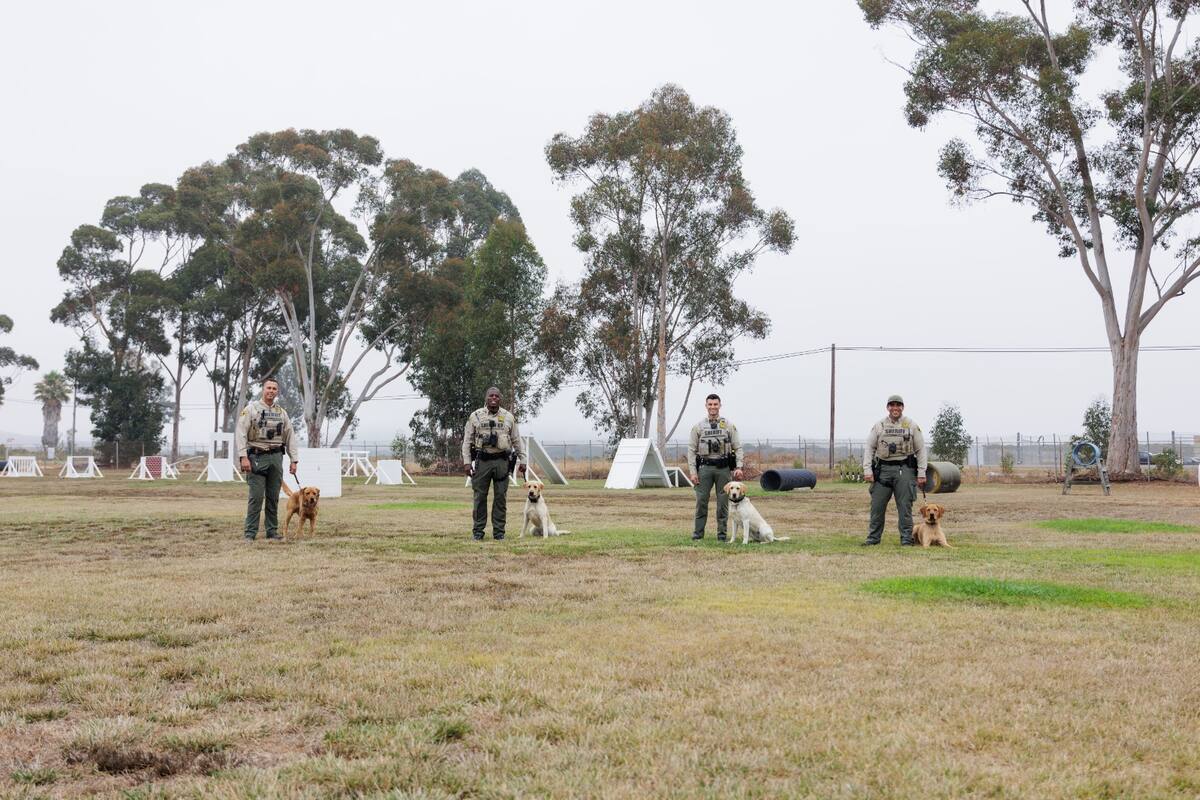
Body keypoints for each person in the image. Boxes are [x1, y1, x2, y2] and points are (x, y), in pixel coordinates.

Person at [236, 377, 299, 541]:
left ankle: (272, 532)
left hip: (276, 457)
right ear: (263, 389)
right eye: (268, 388)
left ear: (277, 392)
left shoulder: (281, 412)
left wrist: (294, 460)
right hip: (256, 457)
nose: (271, 391)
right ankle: (250, 533)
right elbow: (241, 433)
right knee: (256, 498)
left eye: (274, 389)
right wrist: (243, 457)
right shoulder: (251, 409)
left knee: (273, 498)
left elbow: (290, 435)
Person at [861, 394, 927, 546]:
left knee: (905, 507)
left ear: (902, 407)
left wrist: (922, 472)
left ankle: (906, 539)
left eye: (898, 405)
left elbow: (921, 450)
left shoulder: (911, 425)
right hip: (882, 470)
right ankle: (873, 539)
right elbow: (869, 448)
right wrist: (867, 470)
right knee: (877, 507)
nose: (895, 408)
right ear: (888, 407)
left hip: (905, 469)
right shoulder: (879, 426)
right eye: (892, 405)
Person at [462, 387, 526, 540]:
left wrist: (523, 460)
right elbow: (467, 441)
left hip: (502, 462)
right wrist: (466, 462)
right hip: (482, 462)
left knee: (500, 498)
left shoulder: (508, 417)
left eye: (497, 396)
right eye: (491, 395)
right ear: (486, 398)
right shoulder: (475, 416)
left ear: (500, 399)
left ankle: (499, 533)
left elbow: (517, 440)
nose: (494, 398)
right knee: (479, 498)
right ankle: (478, 532)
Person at [687, 393, 744, 541]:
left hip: (723, 469)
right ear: (706, 406)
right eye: (710, 404)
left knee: (723, 504)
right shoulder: (698, 427)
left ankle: (722, 536)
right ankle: (698, 535)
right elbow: (691, 450)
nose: (713, 407)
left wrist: (739, 467)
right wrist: (693, 472)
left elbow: (738, 448)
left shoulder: (729, 425)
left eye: (715, 404)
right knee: (701, 502)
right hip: (704, 469)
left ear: (720, 405)